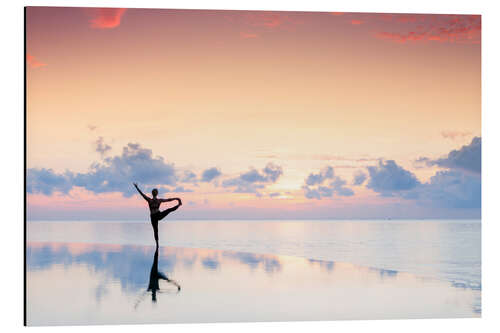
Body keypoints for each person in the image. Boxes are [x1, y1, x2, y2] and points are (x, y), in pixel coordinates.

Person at [133, 182, 182, 247]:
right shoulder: (158, 200)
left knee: (156, 230)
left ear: (152, 194)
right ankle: (179, 205)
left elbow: (142, 194)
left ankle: (157, 244)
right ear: (156, 194)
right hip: (157, 215)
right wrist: (176, 198)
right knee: (168, 210)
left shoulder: (150, 200)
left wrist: (137, 187)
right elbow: (168, 200)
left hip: (154, 216)